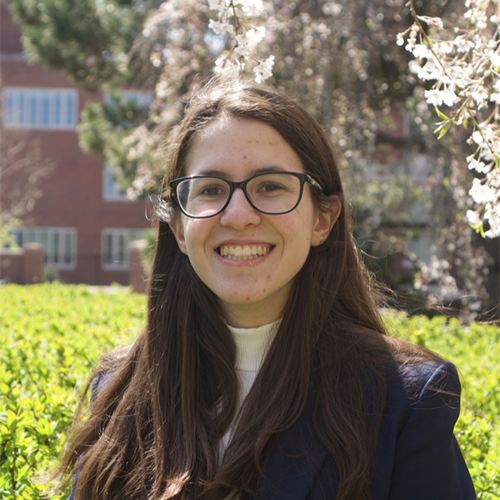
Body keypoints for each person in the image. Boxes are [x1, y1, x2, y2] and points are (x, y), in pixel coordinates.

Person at [58, 82, 476, 500]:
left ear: (323, 219)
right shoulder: (118, 390)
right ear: (180, 230)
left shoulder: (404, 403)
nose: (239, 216)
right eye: (211, 189)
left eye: (271, 186)